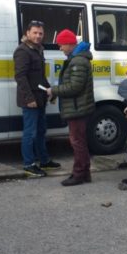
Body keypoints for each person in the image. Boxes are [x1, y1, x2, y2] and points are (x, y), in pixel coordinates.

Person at [46, 29, 95, 186]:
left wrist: (54, 90)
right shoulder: (76, 59)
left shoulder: (78, 61)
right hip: (77, 107)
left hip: (77, 108)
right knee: (80, 141)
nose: (60, 48)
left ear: (69, 44)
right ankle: (85, 173)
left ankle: (79, 174)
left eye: (61, 45)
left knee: (77, 142)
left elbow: (75, 87)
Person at [13, 20, 60, 177]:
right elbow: (20, 77)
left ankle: (44, 160)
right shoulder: (22, 51)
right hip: (30, 100)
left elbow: (40, 75)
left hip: (40, 98)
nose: (38, 36)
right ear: (27, 33)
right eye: (35, 33)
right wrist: (29, 98)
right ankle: (29, 164)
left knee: (41, 131)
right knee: (30, 133)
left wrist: (49, 90)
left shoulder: (38, 50)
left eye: (40, 33)